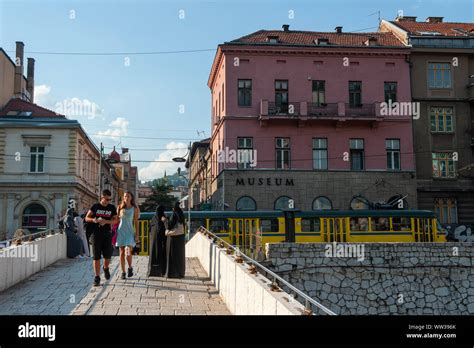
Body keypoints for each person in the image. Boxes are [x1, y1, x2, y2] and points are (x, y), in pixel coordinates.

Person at [85, 189, 118, 286]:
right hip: (96, 234)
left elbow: (115, 221)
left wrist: (106, 221)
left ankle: (106, 268)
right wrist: (94, 220)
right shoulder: (95, 206)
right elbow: (86, 218)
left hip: (107, 234)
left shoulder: (111, 208)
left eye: (109, 199)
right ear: (102, 197)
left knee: (107, 256)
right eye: (106, 199)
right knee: (96, 256)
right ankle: (97, 277)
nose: (108, 201)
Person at [116, 191, 140, 280]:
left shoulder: (135, 208)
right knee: (121, 253)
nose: (126, 197)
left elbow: (136, 222)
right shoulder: (119, 207)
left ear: (131, 198)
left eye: (128, 196)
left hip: (130, 232)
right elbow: (116, 220)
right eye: (125, 196)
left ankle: (130, 267)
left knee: (127, 251)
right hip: (121, 231)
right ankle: (123, 272)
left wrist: (137, 234)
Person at [164, 202, 186, 279]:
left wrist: (165, 220)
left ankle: (173, 273)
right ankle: (180, 273)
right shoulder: (181, 214)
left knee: (173, 256)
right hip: (180, 239)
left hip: (174, 240)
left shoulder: (174, 214)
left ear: (173, 208)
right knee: (180, 257)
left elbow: (169, 225)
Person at [147, 205, 167, 277]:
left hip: (153, 242)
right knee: (161, 255)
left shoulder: (153, 218)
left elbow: (149, 229)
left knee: (153, 256)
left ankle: (152, 271)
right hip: (161, 242)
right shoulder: (163, 217)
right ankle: (161, 272)